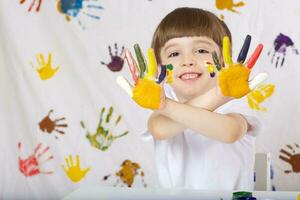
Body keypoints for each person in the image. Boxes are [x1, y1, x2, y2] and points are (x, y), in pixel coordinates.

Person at [126, 7, 261, 190]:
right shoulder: (164, 101)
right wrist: (219, 95)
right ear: (159, 70)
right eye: (174, 54)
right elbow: (159, 129)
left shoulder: (236, 99)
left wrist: (222, 95)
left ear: (222, 61)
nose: (187, 60)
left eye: (201, 50)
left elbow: (230, 133)